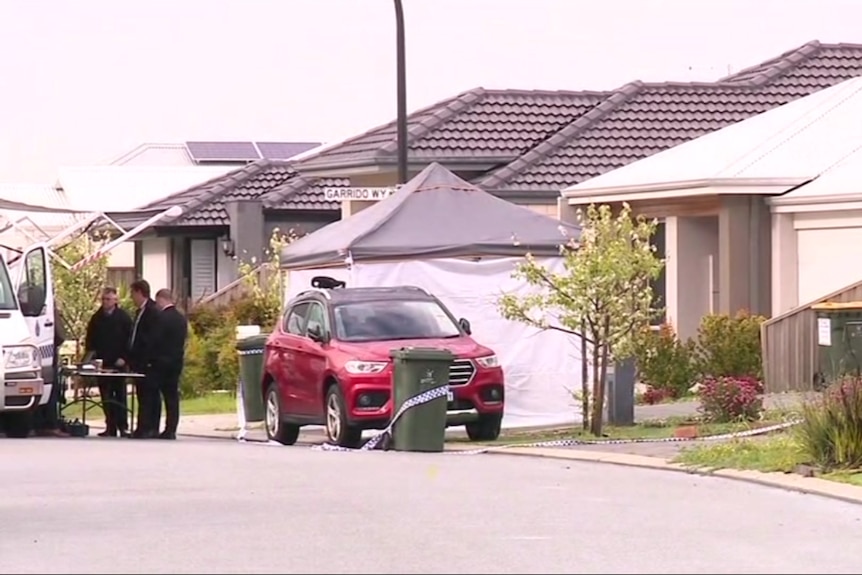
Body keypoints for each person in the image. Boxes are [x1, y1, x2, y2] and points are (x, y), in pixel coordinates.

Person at [84, 287, 133, 438]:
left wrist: (125, 358)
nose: (105, 302)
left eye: (109, 299)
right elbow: (90, 340)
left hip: (118, 362)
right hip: (102, 362)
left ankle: (122, 425)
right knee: (105, 395)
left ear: (115, 300)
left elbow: (130, 339)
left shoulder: (123, 318)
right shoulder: (96, 318)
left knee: (120, 394)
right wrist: (92, 358)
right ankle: (110, 425)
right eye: (104, 299)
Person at [152, 288, 188, 440]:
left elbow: (156, 340)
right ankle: (171, 428)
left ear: (161, 299)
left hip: (161, 362)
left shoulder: (161, 318)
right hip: (176, 361)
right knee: (172, 396)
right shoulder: (181, 318)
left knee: (158, 395)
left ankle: (158, 427)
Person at [126, 279, 161, 439]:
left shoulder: (152, 311)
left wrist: (146, 358)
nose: (131, 297)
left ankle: (148, 427)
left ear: (140, 293)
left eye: (133, 293)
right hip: (137, 361)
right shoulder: (139, 311)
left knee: (149, 395)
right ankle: (144, 426)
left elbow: (150, 338)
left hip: (148, 361)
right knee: (142, 394)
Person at [34, 306, 70, 437]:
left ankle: (38, 423)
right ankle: (50, 424)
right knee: (51, 390)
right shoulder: (50, 310)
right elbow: (60, 335)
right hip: (48, 353)